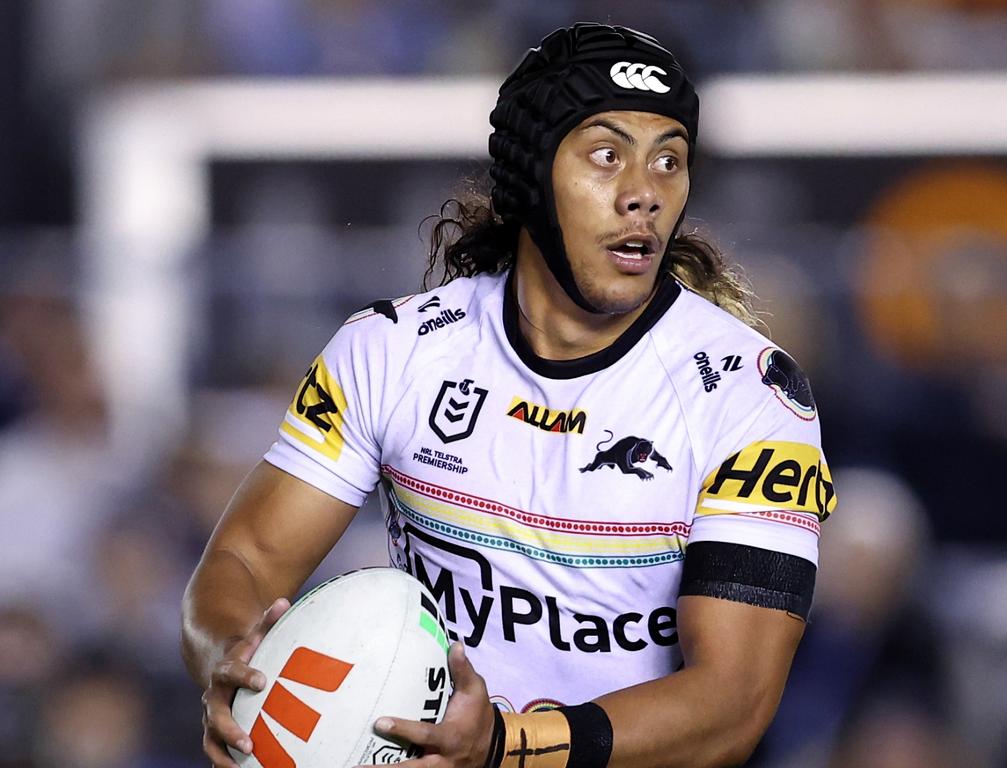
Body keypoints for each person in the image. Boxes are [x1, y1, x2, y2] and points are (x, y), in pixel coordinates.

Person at [182, 22, 837, 768]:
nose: (644, 194)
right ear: (530, 175)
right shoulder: (392, 352)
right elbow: (241, 561)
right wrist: (235, 665)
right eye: (606, 155)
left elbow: (734, 704)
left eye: (669, 161)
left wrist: (503, 747)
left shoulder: (751, 395)